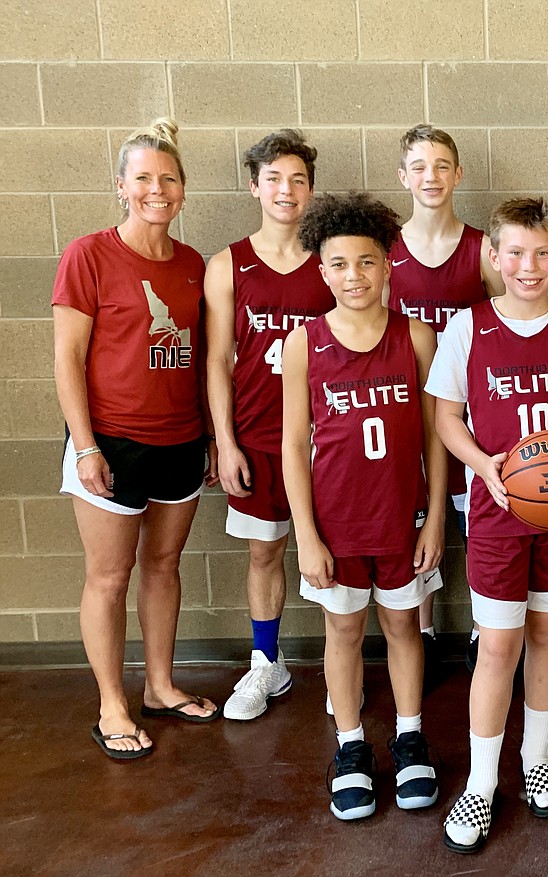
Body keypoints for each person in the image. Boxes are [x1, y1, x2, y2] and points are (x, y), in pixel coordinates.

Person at [428, 198, 548, 853]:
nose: (528, 265)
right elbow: (446, 417)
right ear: (494, 257)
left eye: (541, 253)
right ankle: (481, 782)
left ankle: (536, 757)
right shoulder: (467, 328)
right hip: (499, 513)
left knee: (547, 637)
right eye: (515, 252)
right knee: (497, 646)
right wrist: (485, 465)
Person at [53, 118, 219, 760]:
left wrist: (208, 435)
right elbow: (67, 360)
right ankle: (111, 704)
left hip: (180, 441)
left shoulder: (190, 265)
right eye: (144, 178)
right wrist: (85, 446)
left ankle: (158, 685)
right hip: (112, 444)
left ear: (183, 191)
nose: (158, 190)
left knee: (163, 566)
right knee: (109, 576)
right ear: (121, 185)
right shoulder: (88, 254)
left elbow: (203, 356)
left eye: (169, 179)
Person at [282, 192, 445, 821]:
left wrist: (434, 516)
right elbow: (296, 445)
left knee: (404, 627)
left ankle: (409, 736)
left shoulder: (417, 336)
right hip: (336, 522)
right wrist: (305, 534)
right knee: (343, 630)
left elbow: (436, 439)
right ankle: (350, 746)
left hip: (400, 518)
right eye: (341, 264)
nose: (355, 276)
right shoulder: (305, 343)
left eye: (368, 262)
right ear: (321, 270)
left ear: (388, 265)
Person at [205, 130, 334, 721]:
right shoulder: (229, 263)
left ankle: (343, 668)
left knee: (340, 550)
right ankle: (266, 665)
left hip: (329, 437)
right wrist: (224, 441)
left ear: (311, 190)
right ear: (255, 186)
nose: (287, 190)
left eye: (299, 180)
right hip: (257, 435)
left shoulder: (332, 259)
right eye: (275, 179)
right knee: (265, 554)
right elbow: (216, 359)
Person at [390, 124, 502, 669]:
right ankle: (426, 631)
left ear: (458, 174)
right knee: (419, 523)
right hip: (406, 414)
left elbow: (509, 327)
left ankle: (488, 628)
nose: (430, 176)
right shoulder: (384, 253)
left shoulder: (482, 249)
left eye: (441, 166)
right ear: (402, 176)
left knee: (475, 523)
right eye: (419, 166)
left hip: (471, 416)